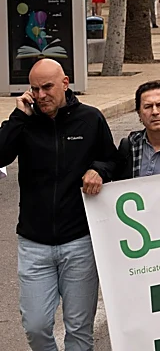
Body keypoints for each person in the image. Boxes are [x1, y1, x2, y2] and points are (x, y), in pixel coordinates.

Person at [0, 59, 118, 351]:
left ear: (65, 83)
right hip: (34, 244)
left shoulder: (90, 119)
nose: (41, 95)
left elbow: (113, 160)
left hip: (79, 241)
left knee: (79, 330)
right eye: (35, 89)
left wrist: (99, 170)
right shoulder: (24, 124)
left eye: (48, 87)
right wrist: (17, 117)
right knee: (36, 326)